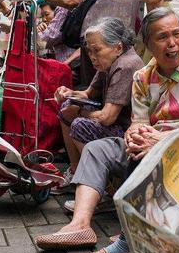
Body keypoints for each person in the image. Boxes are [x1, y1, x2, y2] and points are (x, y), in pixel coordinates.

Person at [34, 8, 179, 253]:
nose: (173, 43)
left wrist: (160, 138)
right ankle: (80, 225)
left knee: (146, 155)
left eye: (176, 34)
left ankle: (129, 239)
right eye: (163, 37)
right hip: (148, 141)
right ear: (149, 44)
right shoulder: (142, 77)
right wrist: (135, 136)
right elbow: (138, 121)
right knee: (98, 149)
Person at [54, 17, 143, 188]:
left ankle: (100, 187)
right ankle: (75, 171)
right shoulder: (109, 61)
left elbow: (108, 117)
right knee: (67, 108)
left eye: (97, 51)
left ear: (117, 47)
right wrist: (68, 93)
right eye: (89, 51)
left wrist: (79, 113)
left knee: (81, 125)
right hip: (116, 123)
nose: (92, 57)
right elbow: (88, 94)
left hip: (128, 132)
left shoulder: (125, 65)